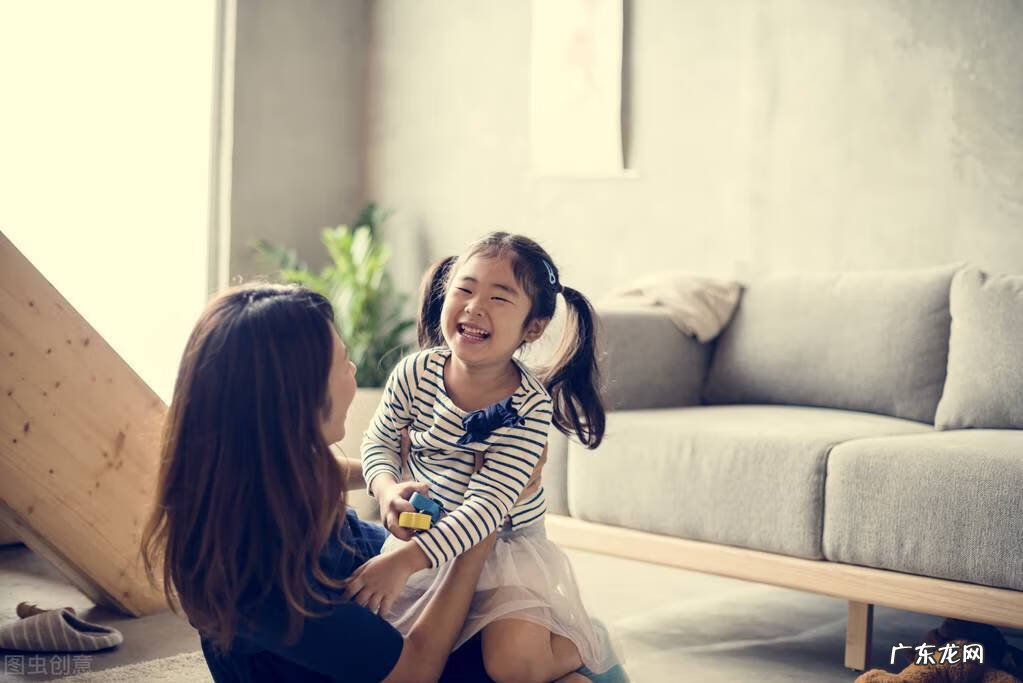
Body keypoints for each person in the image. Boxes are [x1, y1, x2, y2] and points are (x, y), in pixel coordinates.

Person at [139, 283, 545, 682]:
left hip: (345, 555)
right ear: (298, 402)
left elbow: (314, 471)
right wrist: (488, 520)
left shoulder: (238, 471)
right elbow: (414, 672)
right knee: (523, 665)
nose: (353, 370)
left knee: (511, 615)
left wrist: (387, 481)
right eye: (344, 362)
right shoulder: (262, 577)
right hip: (372, 660)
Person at [354, 232, 621, 682]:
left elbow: (487, 509)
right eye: (465, 288)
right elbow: (377, 442)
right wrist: (386, 489)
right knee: (400, 649)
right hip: (428, 537)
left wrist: (403, 561)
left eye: (500, 298)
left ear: (532, 328)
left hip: (503, 550)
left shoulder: (529, 409)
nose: (475, 306)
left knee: (513, 667)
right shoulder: (413, 373)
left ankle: (583, 642)